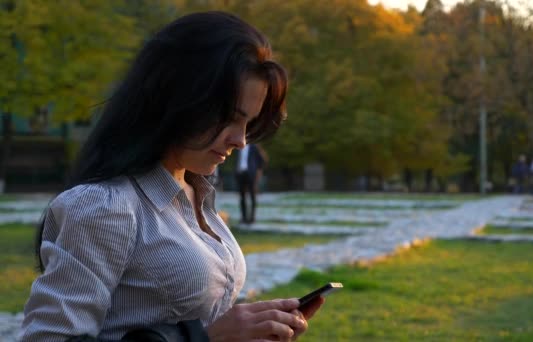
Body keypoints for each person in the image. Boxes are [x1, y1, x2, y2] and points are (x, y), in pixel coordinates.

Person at [20, 12, 323, 341]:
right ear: (178, 99)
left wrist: (251, 326)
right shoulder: (104, 207)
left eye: (248, 123)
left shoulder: (197, 194)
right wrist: (206, 338)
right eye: (228, 119)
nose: (241, 139)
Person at [235, 143, 267, 224]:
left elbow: (262, 160)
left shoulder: (254, 146)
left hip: (251, 174)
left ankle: (252, 218)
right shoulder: (238, 147)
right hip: (240, 173)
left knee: (252, 196)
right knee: (242, 196)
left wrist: (258, 172)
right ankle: (243, 218)